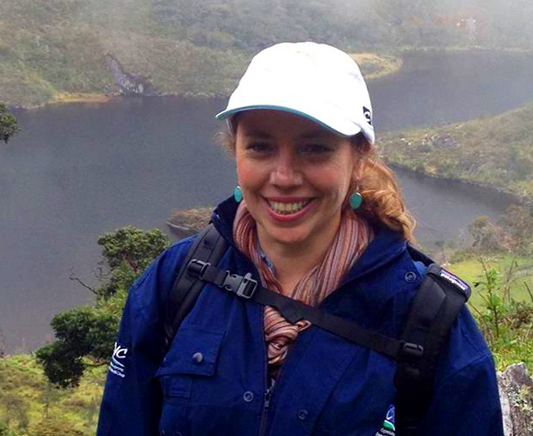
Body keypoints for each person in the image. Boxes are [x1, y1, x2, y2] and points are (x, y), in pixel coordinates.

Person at [96, 42, 501, 435]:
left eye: (314, 149)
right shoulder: (179, 281)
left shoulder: (427, 321)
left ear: (357, 158)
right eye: (260, 147)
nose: (284, 177)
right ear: (234, 150)